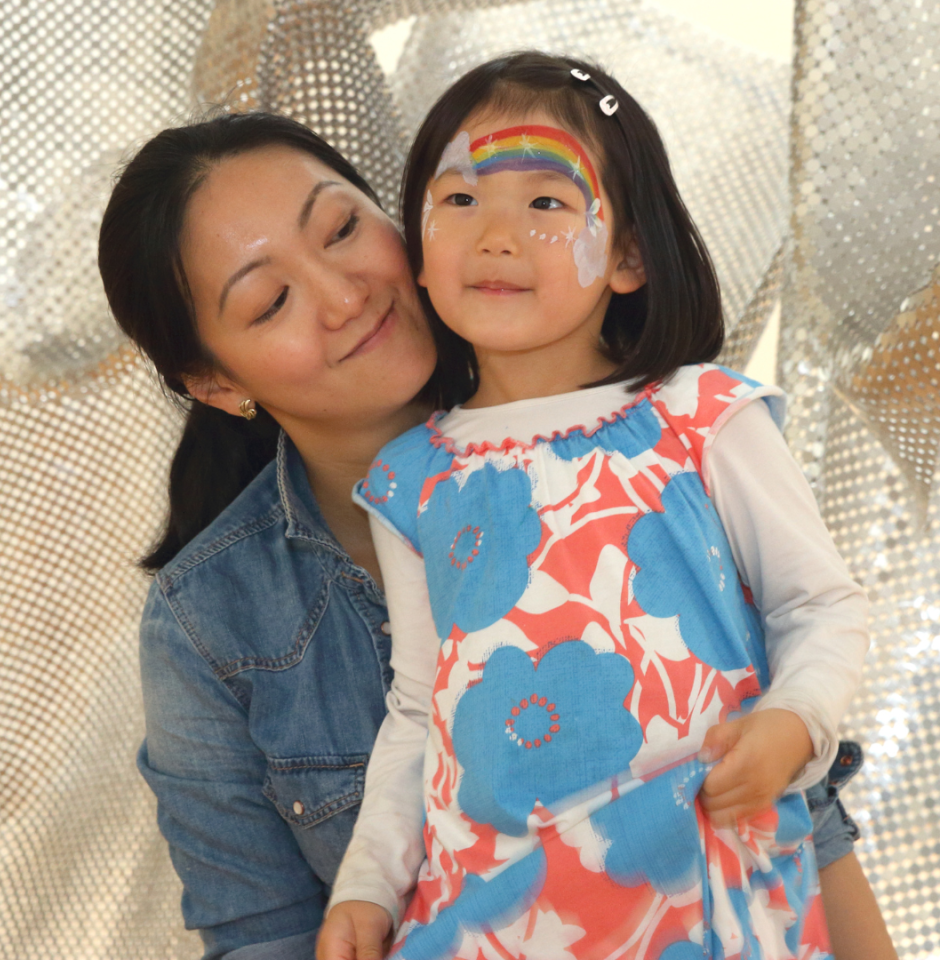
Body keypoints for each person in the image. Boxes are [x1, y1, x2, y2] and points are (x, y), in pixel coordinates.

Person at [97, 111, 893, 960]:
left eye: (341, 229)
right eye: (271, 301)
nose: (344, 296)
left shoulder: (657, 442)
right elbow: (265, 937)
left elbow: (794, 816)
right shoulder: (206, 626)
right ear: (217, 384)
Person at [318, 53, 888, 960]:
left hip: (708, 897)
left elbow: (820, 605)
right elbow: (421, 710)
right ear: (418, 249)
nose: (495, 233)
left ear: (627, 255)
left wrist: (795, 723)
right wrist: (366, 885)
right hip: (494, 921)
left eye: (546, 202)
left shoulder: (701, 415)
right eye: (459, 200)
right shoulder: (411, 477)